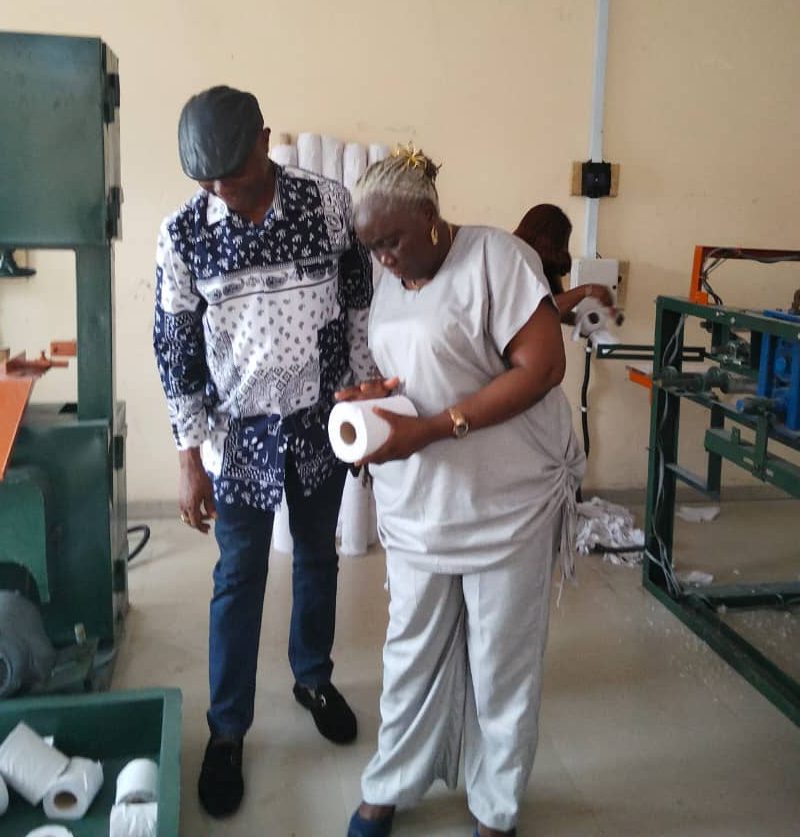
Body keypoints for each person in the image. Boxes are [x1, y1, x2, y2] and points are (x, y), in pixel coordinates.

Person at [337, 146, 585, 837]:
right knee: (409, 647)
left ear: (429, 216)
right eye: (371, 246)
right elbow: (411, 369)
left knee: (501, 658)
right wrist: (371, 402)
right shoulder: (393, 277)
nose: (382, 257)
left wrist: (433, 429)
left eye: (390, 240)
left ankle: (495, 808)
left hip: (504, 499)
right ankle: (389, 782)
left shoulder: (497, 260)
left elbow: (542, 367)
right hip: (421, 504)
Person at [153, 86, 375, 818]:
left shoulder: (327, 204)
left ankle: (312, 676)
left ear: (264, 142)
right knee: (237, 578)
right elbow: (176, 350)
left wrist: (365, 402)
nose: (222, 194)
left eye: (233, 177)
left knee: (318, 555)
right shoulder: (184, 235)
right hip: (237, 436)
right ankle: (226, 729)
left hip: (321, 421)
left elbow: (358, 302)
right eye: (207, 182)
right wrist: (188, 456)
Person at [514, 203, 614, 324]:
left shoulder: (544, 265)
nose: (563, 248)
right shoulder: (516, 261)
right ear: (547, 238)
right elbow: (537, 311)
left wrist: (582, 323)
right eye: (561, 240)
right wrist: (587, 290)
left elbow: (555, 309)